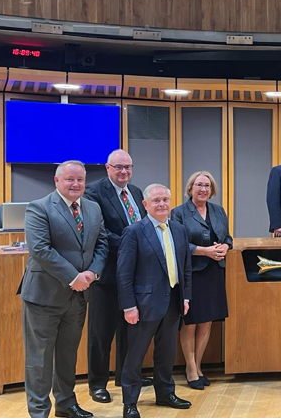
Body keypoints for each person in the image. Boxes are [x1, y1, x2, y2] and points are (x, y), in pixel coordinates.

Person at [20, 160, 108, 418]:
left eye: (80, 179)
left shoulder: (92, 208)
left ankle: (66, 404)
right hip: (44, 296)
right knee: (40, 359)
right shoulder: (39, 207)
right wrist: (73, 277)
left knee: (68, 354)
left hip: (79, 297)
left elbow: (102, 244)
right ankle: (39, 411)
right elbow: (40, 249)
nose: (76, 184)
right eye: (70, 179)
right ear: (57, 181)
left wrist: (92, 272)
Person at [117, 184, 193, 418]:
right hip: (143, 305)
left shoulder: (179, 229)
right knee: (135, 355)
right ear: (145, 205)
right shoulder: (134, 231)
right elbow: (124, 273)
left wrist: (186, 297)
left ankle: (165, 393)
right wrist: (129, 306)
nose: (162, 204)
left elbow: (185, 267)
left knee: (167, 352)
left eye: (165, 200)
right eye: (156, 201)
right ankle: (130, 402)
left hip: (173, 302)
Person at [85, 149, 152, 404]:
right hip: (109, 274)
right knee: (101, 332)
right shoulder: (94, 192)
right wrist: (133, 245)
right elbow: (98, 233)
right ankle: (97, 383)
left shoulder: (135, 192)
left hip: (135, 275)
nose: (124, 171)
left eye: (128, 167)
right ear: (107, 168)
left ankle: (126, 375)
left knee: (129, 329)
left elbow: (144, 226)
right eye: (118, 167)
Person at [171, 171, 232, 390]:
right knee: (190, 323)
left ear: (212, 190)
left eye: (207, 185)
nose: (203, 189)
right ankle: (189, 368)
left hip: (214, 272)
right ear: (190, 188)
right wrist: (204, 251)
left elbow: (227, 237)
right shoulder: (178, 213)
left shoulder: (218, 211)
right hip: (192, 274)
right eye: (199, 185)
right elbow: (177, 244)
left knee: (206, 322)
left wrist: (225, 246)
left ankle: (198, 366)